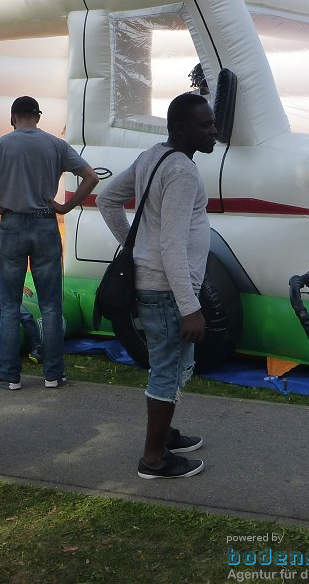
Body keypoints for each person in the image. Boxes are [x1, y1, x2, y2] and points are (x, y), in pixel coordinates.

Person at [97, 92, 216, 480]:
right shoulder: (180, 170)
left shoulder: (154, 156)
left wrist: (133, 245)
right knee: (166, 371)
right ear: (181, 128)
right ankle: (153, 458)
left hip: (156, 284)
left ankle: (164, 433)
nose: (213, 130)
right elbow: (171, 244)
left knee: (176, 365)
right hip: (167, 290)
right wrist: (190, 306)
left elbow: (106, 199)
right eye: (205, 125)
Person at [0, 95, 98, 390]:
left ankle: (9, 375)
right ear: (38, 116)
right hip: (45, 224)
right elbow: (90, 177)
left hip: (11, 224)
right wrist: (65, 206)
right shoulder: (55, 145)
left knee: (9, 305)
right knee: (50, 306)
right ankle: (54, 373)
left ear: (12, 118)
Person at [0, 257, 43, 363]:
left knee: (27, 316)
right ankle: (2, 325)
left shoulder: (15, 262)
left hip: (8, 297)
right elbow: (5, 278)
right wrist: (22, 287)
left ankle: (37, 346)